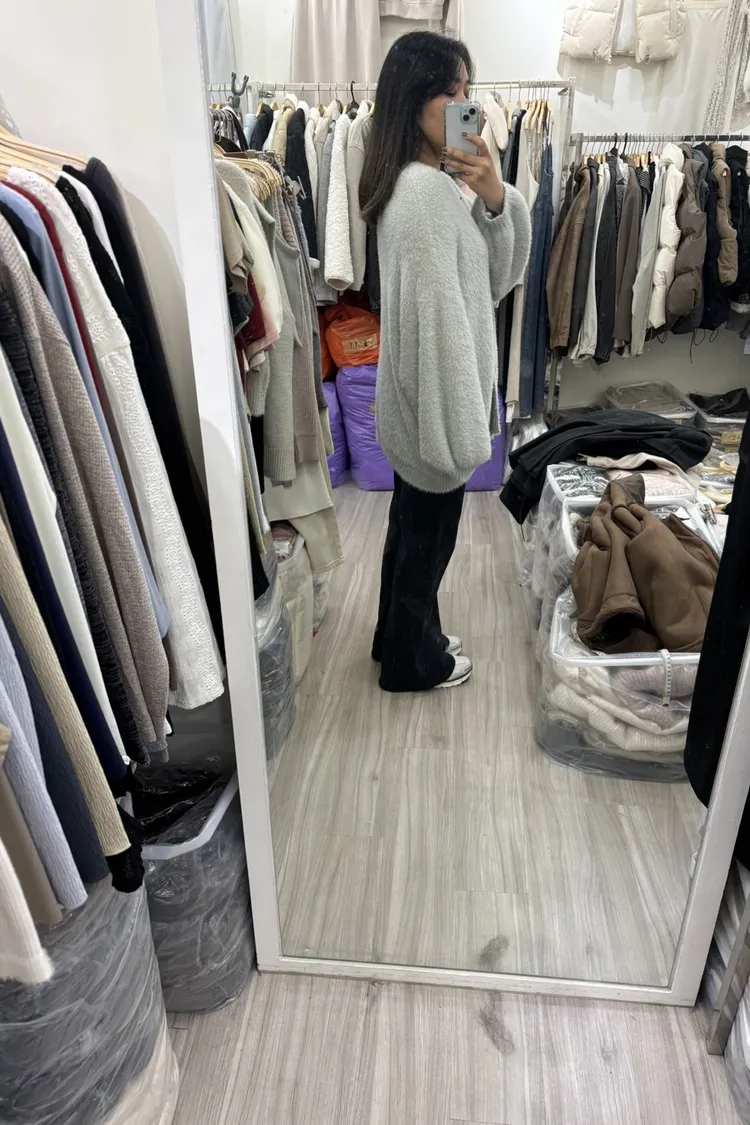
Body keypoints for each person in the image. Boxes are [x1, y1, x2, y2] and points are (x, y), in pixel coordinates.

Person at [359, 31, 532, 692]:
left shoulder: (419, 184)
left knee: (408, 537)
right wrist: (458, 435)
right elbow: (441, 326)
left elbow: (485, 281)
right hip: (435, 413)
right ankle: (414, 662)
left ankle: (396, 638)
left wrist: (494, 198)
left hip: (417, 406)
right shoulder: (425, 197)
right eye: (452, 93)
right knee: (426, 549)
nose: (468, 106)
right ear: (414, 102)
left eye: (468, 91)